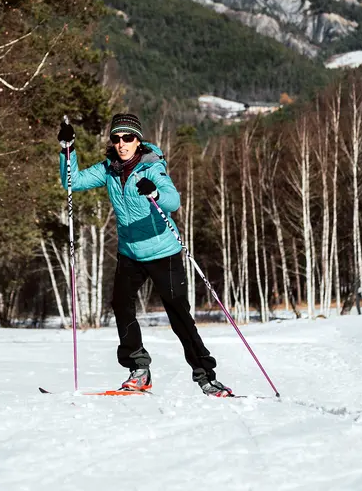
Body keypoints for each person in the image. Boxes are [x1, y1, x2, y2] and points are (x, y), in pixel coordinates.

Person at [58, 113, 233, 397]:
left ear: (138, 140)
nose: (122, 144)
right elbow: (72, 181)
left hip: (164, 252)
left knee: (178, 315)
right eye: (116, 139)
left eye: (128, 138)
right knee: (120, 304)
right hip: (130, 254)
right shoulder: (109, 169)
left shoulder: (152, 168)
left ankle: (206, 376)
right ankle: (139, 368)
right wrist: (68, 149)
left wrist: (155, 192)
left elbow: (173, 200)